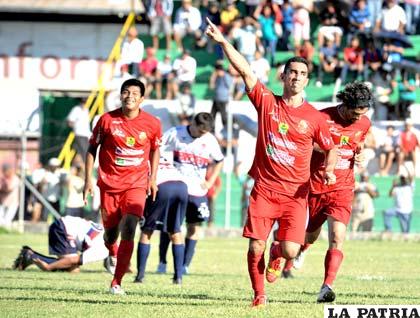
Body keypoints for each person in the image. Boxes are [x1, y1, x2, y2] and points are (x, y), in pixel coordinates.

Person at [206, 18, 337, 307]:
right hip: (264, 189)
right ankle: (259, 295)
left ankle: (279, 254)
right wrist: (224, 42)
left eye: (302, 73)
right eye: (292, 72)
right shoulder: (267, 102)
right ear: (284, 75)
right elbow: (245, 70)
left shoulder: (315, 118)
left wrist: (328, 170)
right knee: (255, 245)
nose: (296, 77)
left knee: (291, 251)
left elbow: (331, 149)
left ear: (306, 79)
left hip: (295, 195)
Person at [292, 82, 372, 303]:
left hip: (343, 187)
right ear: (345, 104)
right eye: (355, 114)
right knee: (311, 234)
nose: (358, 119)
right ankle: (302, 249)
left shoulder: (364, 122)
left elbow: (360, 143)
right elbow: (304, 143)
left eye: (362, 114)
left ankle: (326, 287)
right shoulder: (321, 118)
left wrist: (360, 155)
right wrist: (328, 149)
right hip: (316, 185)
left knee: (337, 237)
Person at [83, 78, 161, 295]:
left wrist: (153, 178)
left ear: (142, 98)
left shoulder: (152, 123)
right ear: (120, 95)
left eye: (135, 93)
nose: (130, 96)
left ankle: (116, 283)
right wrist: (88, 179)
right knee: (110, 235)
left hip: (136, 184)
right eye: (126, 92)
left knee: (129, 228)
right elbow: (92, 148)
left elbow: (155, 150)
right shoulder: (107, 120)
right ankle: (113, 252)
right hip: (108, 185)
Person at [156, 113, 224, 276]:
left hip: (197, 191)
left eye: (205, 133)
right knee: (169, 226)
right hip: (175, 186)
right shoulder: (175, 133)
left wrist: (210, 182)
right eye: (200, 131)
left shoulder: (209, 140)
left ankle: (185, 264)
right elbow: (157, 148)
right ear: (192, 123)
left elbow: (219, 160)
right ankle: (162, 262)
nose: (201, 135)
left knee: (194, 227)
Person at [134, 155, 188, 285]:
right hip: (182, 186)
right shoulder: (162, 156)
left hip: (162, 186)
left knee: (147, 230)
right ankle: (178, 277)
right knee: (175, 231)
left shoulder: (140, 155)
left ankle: (140, 276)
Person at [13, 216, 109, 273]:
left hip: (64, 224)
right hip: (62, 229)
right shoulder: (103, 251)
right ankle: (30, 256)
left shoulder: (109, 237)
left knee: (71, 267)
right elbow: (73, 260)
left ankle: (30, 256)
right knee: (73, 269)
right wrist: (48, 267)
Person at [67, 99, 92, 165]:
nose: (84, 104)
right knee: (85, 152)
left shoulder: (86, 110)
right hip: (79, 133)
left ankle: (77, 166)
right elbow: (70, 121)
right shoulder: (76, 109)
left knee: (80, 152)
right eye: (83, 102)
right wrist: (75, 127)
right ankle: (84, 166)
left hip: (86, 134)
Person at [0, 163, 20, 228]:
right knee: (1, 219)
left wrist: (3, 188)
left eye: (5, 171)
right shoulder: (2, 179)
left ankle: (6, 231)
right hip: (3, 202)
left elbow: (9, 189)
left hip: (13, 203)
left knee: (7, 220)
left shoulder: (15, 178)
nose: (4, 173)